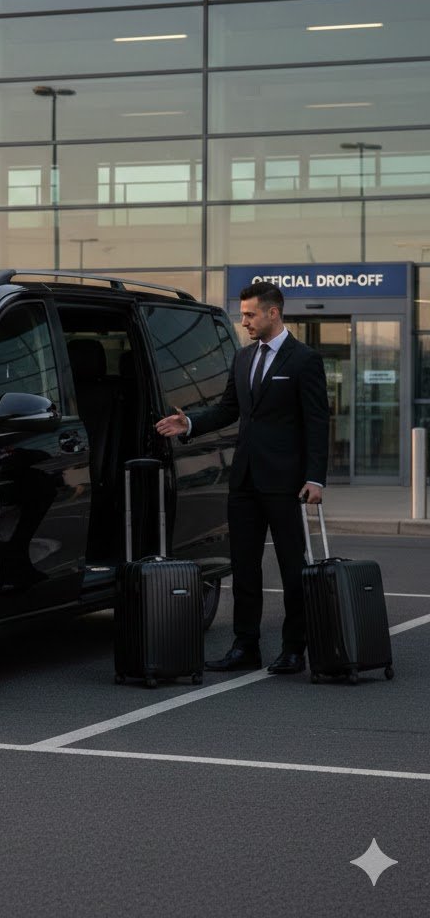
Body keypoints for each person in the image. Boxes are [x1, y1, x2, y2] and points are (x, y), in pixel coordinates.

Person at [155, 281, 329, 675]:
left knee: (292, 568)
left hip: (287, 483)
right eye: (243, 313)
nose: (244, 321)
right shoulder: (243, 358)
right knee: (244, 567)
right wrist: (189, 423)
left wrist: (315, 479)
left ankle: (293, 649)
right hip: (245, 480)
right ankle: (245, 646)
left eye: (250, 314)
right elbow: (227, 410)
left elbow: (318, 423)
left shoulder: (304, 360)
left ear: (273, 313)